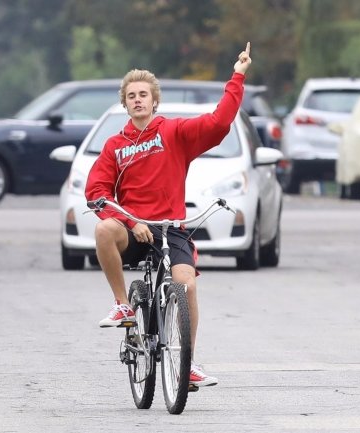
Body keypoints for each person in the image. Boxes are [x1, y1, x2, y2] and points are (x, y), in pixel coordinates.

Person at [85, 43, 252, 388]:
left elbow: (220, 122)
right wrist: (131, 221)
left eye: (144, 94)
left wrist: (237, 76)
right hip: (132, 228)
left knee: (186, 286)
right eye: (131, 95)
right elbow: (96, 193)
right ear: (125, 103)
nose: (138, 99)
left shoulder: (174, 132)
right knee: (103, 229)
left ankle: (186, 360)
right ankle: (122, 306)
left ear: (154, 100)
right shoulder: (115, 146)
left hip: (170, 228)